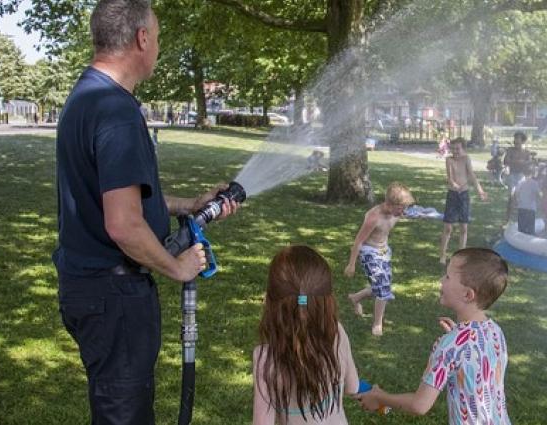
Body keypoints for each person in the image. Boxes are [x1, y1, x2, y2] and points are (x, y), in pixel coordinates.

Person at [53, 2, 238, 423]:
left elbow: (118, 200)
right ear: (141, 38)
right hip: (114, 296)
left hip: (91, 291)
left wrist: (189, 205)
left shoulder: (86, 96)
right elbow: (122, 224)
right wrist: (177, 267)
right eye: (157, 36)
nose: (158, 44)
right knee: (125, 415)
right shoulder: (116, 110)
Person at [354, 248, 511, 425]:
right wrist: (457, 337)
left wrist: (380, 398)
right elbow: (475, 359)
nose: (441, 280)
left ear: (467, 294)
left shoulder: (449, 346)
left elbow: (419, 405)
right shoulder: (495, 331)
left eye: (448, 277)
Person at [253, 246, 361, 424]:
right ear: (327, 301)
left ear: (271, 301)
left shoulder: (265, 357)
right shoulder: (337, 333)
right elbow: (353, 387)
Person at [345, 182, 415, 336]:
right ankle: (377, 324)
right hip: (370, 252)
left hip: (384, 251)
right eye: (400, 208)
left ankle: (355, 298)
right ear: (390, 204)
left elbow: (406, 212)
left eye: (404, 208)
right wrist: (351, 264)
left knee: (382, 286)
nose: (403, 211)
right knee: (383, 289)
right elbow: (358, 241)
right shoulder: (373, 218)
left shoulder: (395, 212)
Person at [440, 138, 488, 264]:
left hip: (464, 195)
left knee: (464, 228)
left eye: (458, 149)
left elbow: (472, 175)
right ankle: (443, 255)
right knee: (448, 228)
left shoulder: (466, 159)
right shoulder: (449, 160)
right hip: (452, 195)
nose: (455, 151)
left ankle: (460, 256)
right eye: (453, 148)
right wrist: (454, 184)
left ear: (463, 149)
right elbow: (449, 178)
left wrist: (480, 191)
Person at [503, 131, 532, 220]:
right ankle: (508, 218)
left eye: (517, 139)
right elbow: (506, 161)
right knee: (511, 197)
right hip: (512, 175)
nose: (515, 141)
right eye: (515, 139)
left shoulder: (526, 152)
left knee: (520, 198)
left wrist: (520, 163)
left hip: (521, 176)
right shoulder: (510, 150)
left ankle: (520, 218)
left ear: (522, 141)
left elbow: (529, 164)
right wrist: (518, 162)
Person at [513, 164, 540, 235]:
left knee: (521, 228)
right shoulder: (535, 183)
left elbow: (516, 193)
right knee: (530, 229)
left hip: (521, 207)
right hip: (531, 209)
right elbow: (537, 195)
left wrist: (517, 201)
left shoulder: (520, 182)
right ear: (533, 173)